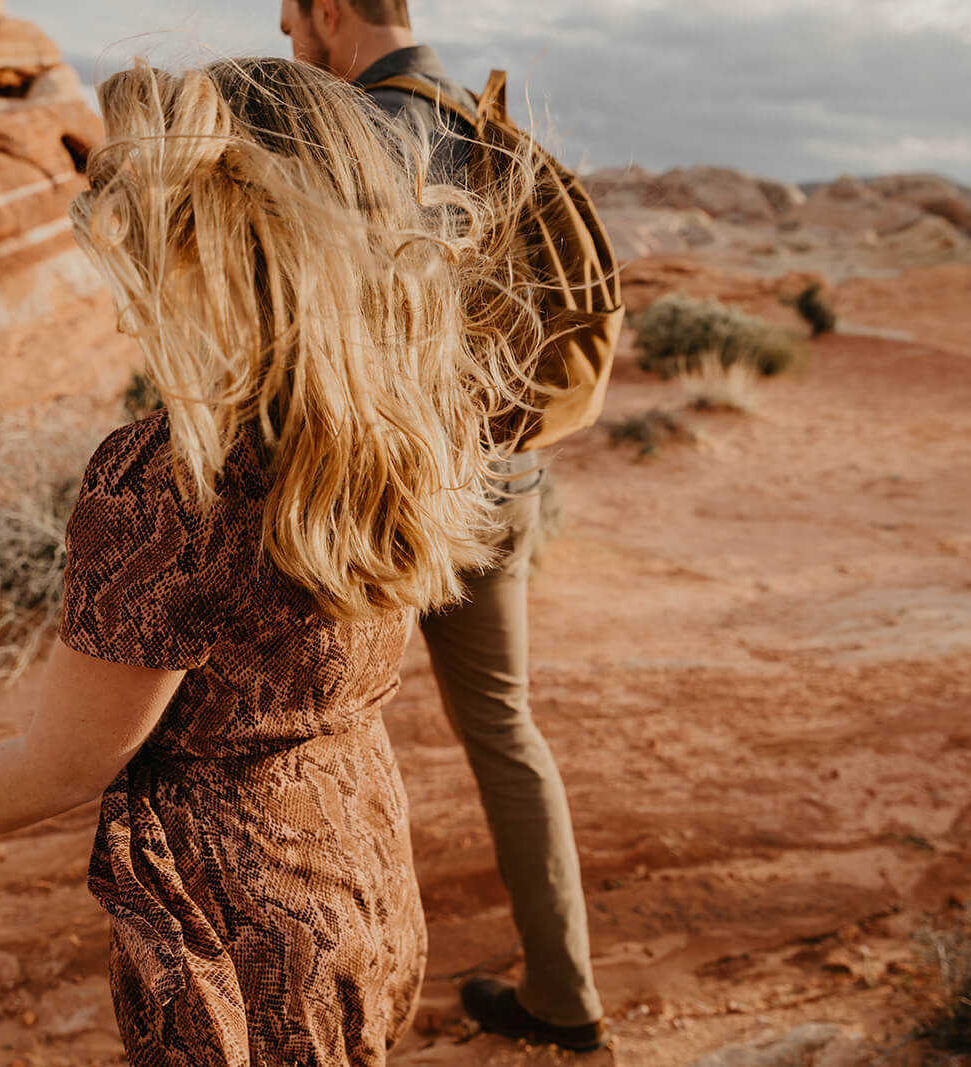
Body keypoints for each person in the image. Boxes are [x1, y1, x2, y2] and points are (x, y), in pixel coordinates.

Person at [0, 56, 542, 1066]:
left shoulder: (164, 480)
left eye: (147, 229)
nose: (120, 270)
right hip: (361, 886)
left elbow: (63, 761)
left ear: (212, 246)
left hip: (223, 949)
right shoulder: (401, 418)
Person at [280, 0, 608, 1053]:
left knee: (306, 744)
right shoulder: (477, 121)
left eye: (289, 19)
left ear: (331, 11)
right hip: (503, 481)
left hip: (381, 502)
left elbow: (319, 346)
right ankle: (565, 997)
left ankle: (327, 1015)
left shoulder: (356, 136)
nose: (289, 40)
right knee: (506, 731)